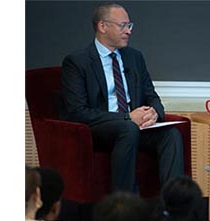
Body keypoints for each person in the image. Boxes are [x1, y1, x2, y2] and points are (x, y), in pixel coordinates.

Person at [60, 2, 184, 193]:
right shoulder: (77, 61)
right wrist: (127, 118)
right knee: (127, 128)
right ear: (103, 26)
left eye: (130, 25)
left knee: (171, 135)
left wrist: (154, 113)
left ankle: (174, 206)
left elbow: (152, 97)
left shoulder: (134, 57)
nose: (129, 31)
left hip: (133, 127)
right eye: (123, 26)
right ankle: (125, 207)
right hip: (98, 130)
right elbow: (77, 112)